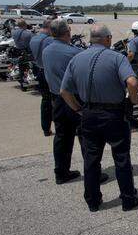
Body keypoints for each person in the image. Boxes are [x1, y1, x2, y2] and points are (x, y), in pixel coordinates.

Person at [59, 24, 138, 212]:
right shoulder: (117, 57)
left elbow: (64, 91)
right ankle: (128, 199)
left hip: (89, 114)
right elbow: (132, 81)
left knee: (91, 159)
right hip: (113, 114)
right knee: (121, 157)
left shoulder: (76, 59)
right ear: (107, 39)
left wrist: (78, 109)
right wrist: (134, 99)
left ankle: (93, 201)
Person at [42, 19, 102, 185]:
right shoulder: (73, 52)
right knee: (86, 137)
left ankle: (61, 172)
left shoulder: (46, 50)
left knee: (62, 136)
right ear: (67, 33)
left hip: (57, 99)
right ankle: (93, 172)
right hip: (75, 99)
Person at [29, 19, 53, 135]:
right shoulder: (50, 41)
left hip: (38, 69)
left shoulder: (34, 38)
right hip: (48, 72)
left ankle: (45, 128)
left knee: (45, 101)